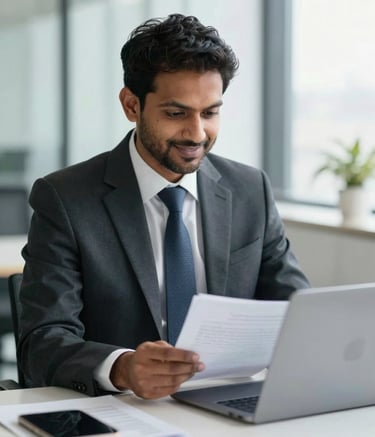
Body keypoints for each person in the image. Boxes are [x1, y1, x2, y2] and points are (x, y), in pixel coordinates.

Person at [18, 13, 309, 399]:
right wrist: (121, 368)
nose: (197, 133)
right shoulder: (66, 198)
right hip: (126, 408)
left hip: (230, 400)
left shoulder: (249, 189)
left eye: (210, 112)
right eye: (176, 113)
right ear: (131, 105)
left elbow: (298, 312)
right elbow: (42, 341)